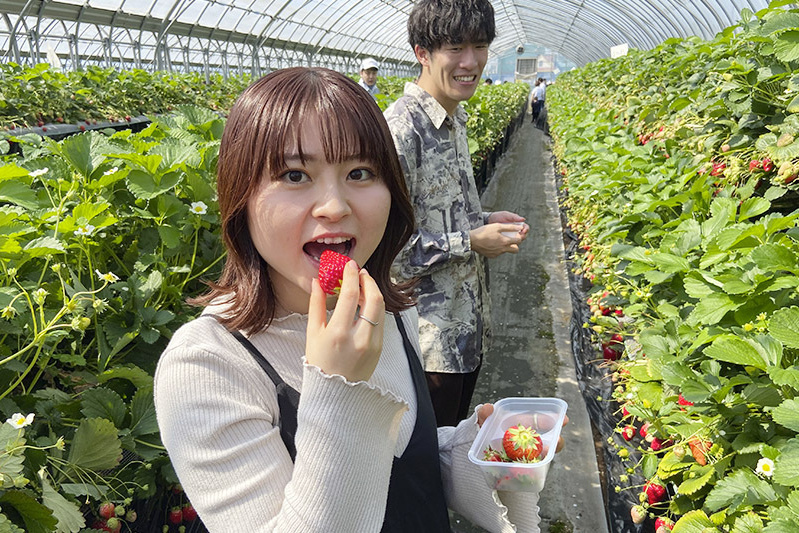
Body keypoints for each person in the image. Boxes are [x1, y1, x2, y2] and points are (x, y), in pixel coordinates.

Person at [153, 66, 555, 532]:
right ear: (240, 195)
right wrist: (337, 384)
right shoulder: (206, 366)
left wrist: (479, 449)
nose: (335, 206)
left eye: (360, 172)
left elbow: (404, 463)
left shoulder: (386, 307)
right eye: (295, 174)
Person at [384, 0, 530, 428]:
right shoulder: (400, 132)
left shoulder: (454, 119)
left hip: (467, 334)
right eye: (455, 48)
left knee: (451, 456)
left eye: (480, 46)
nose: (471, 62)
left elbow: (436, 212)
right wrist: (471, 241)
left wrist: (483, 219)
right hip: (428, 345)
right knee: (428, 466)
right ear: (421, 52)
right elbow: (387, 253)